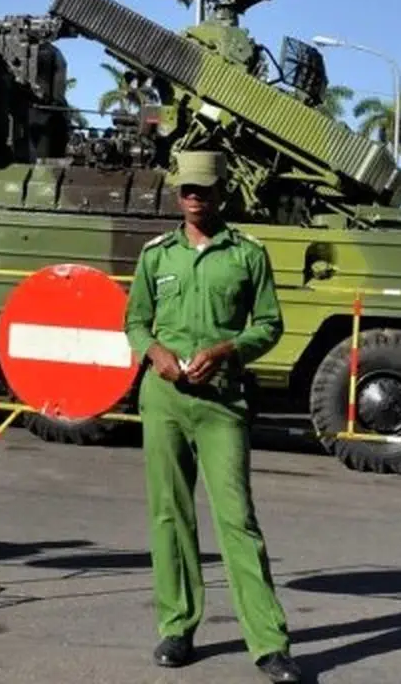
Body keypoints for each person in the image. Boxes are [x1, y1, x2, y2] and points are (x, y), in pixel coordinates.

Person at [123, 150, 302, 683]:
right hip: (164, 401)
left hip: (223, 404)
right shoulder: (157, 256)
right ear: (177, 194)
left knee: (237, 520)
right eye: (187, 190)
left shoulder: (246, 254)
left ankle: (269, 643)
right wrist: (155, 354)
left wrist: (226, 350)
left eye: (205, 189)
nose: (195, 198)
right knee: (169, 513)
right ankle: (177, 627)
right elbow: (135, 321)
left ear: (223, 191)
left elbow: (268, 324)